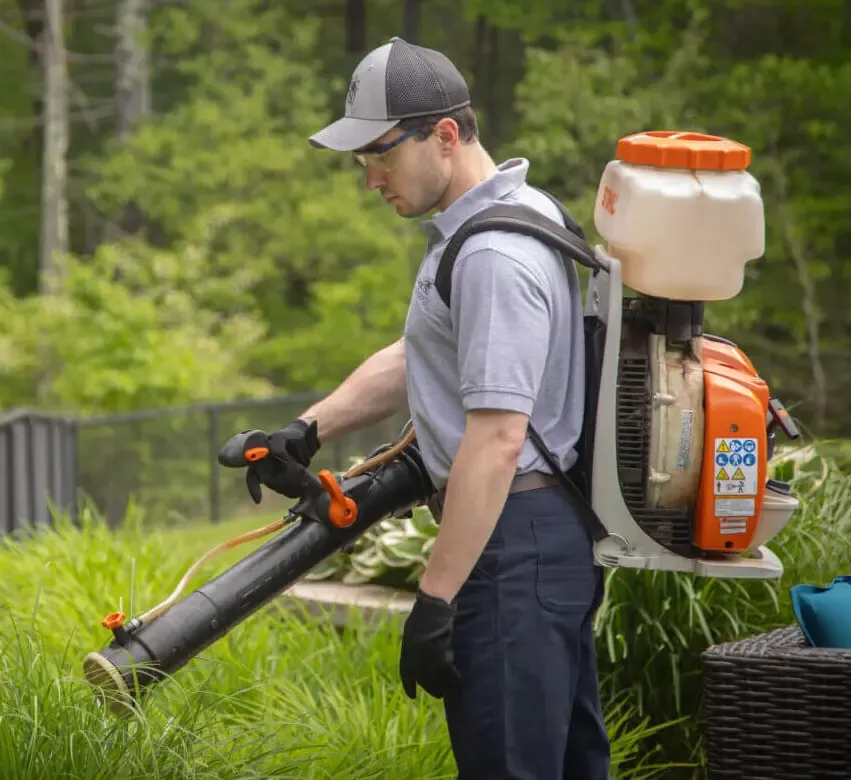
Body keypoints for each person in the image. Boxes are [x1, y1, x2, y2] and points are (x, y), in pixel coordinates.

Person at [261, 37, 613, 779]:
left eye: (380, 156)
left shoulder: (491, 256)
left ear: (444, 135)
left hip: (512, 543)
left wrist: (436, 597)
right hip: (531, 537)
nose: (369, 180)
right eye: (361, 162)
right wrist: (307, 429)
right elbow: (420, 352)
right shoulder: (505, 215)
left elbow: (496, 438)